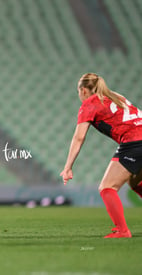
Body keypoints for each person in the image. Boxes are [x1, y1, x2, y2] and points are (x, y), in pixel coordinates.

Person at [60, 72, 142, 238]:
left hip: (134, 143)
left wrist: (68, 167)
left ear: (83, 90)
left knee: (107, 187)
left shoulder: (89, 104)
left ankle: (122, 230)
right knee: (135, 182)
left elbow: (79, 137)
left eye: (78, 92)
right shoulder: (115, 96)